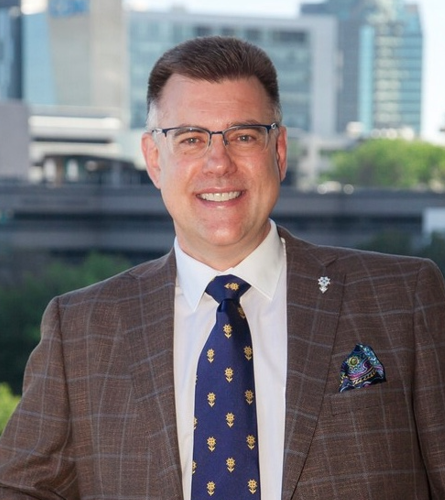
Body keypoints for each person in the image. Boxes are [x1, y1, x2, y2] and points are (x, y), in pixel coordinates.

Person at [0, 35, 444, 500]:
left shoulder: (404, 299)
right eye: (191, 139)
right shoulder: (81, 329)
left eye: (243, 136)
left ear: (279, 151)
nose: (219, 163)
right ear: (154, 159)